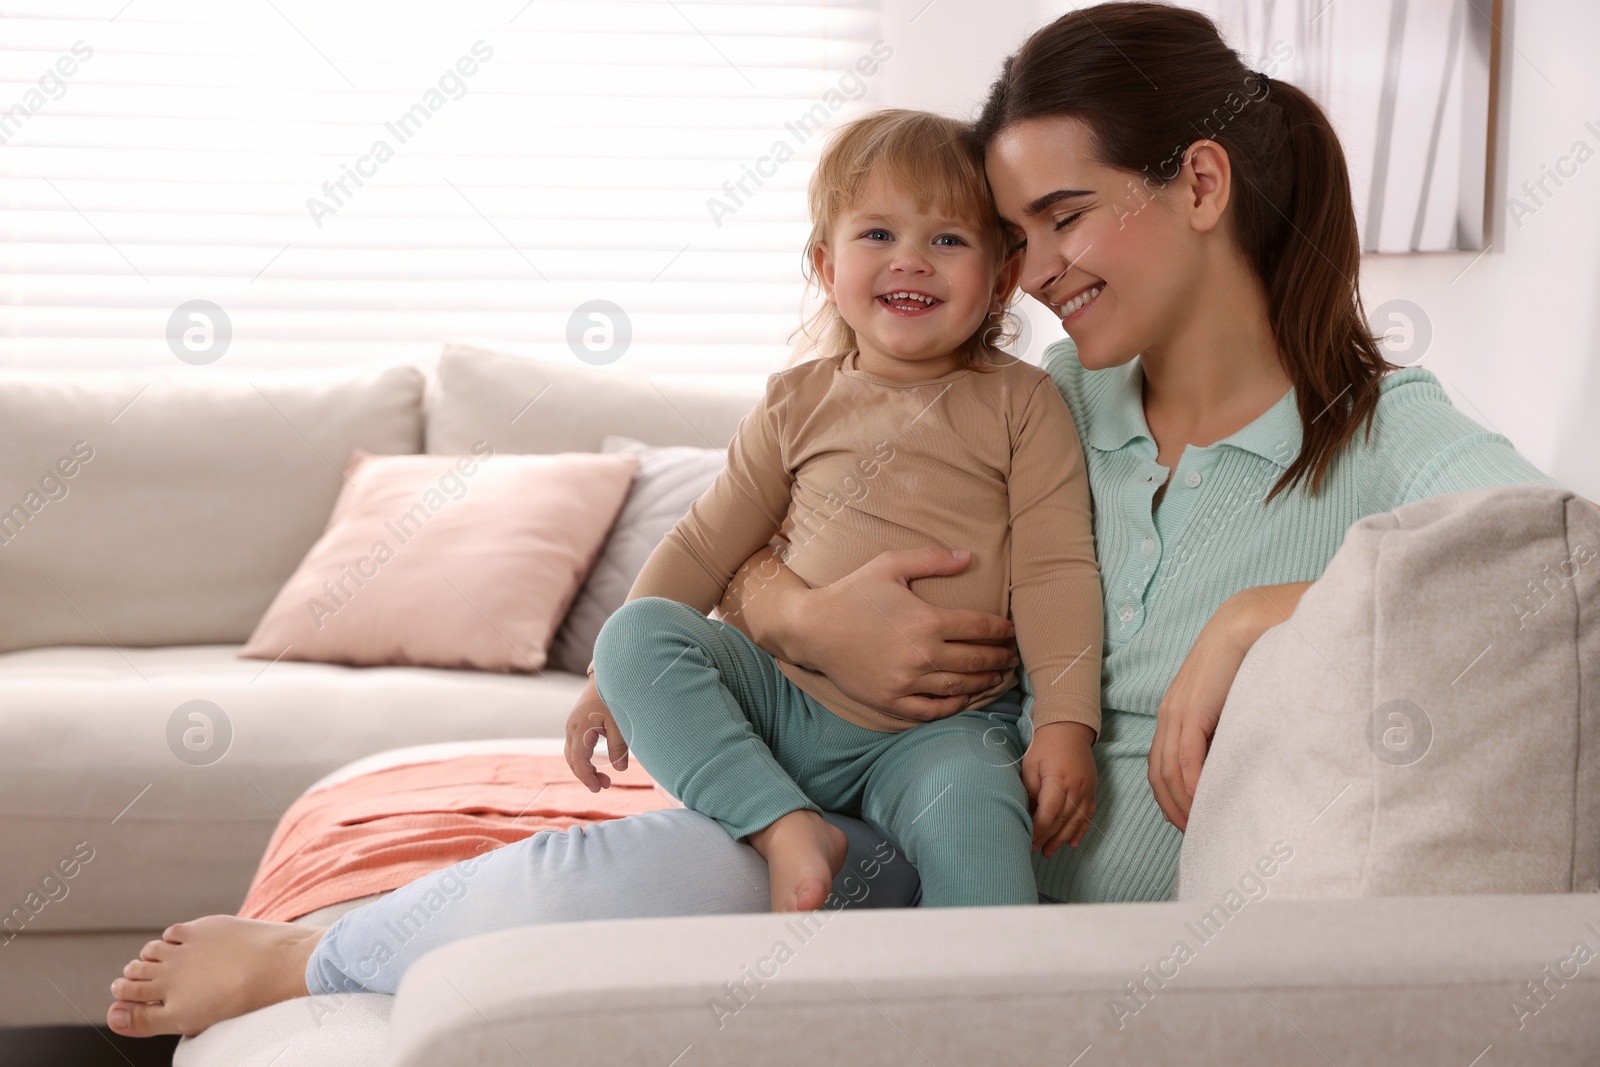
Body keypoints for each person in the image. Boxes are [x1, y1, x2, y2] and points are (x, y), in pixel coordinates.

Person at [106, 2, 1571, 1039]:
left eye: (1060, 218)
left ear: (1199, 183)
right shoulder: (1047, 401)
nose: (1034, 267)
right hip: (884, 824)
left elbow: (1556, 567)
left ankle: (320, 952)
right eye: (1020, 237)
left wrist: (1274, 607)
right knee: (659, 858)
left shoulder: (1379, 437)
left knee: (684, 865)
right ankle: (318, 954)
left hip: (1039, 890)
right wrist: (794, 611)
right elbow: (770, 519)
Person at [577, 108, 1103, 915]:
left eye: (949, 241)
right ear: (827, 266)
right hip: (785, 705)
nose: (912, 262)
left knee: (977, 808)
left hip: (943, 731)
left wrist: (1067, 722)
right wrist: (602, 683)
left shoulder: (1023, 404)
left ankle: (978, 1010)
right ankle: (783, 823)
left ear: (1002, 278)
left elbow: (1055, 568)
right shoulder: (797, 402)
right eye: (879, 235)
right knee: (636, 633)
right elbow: (704, 542)